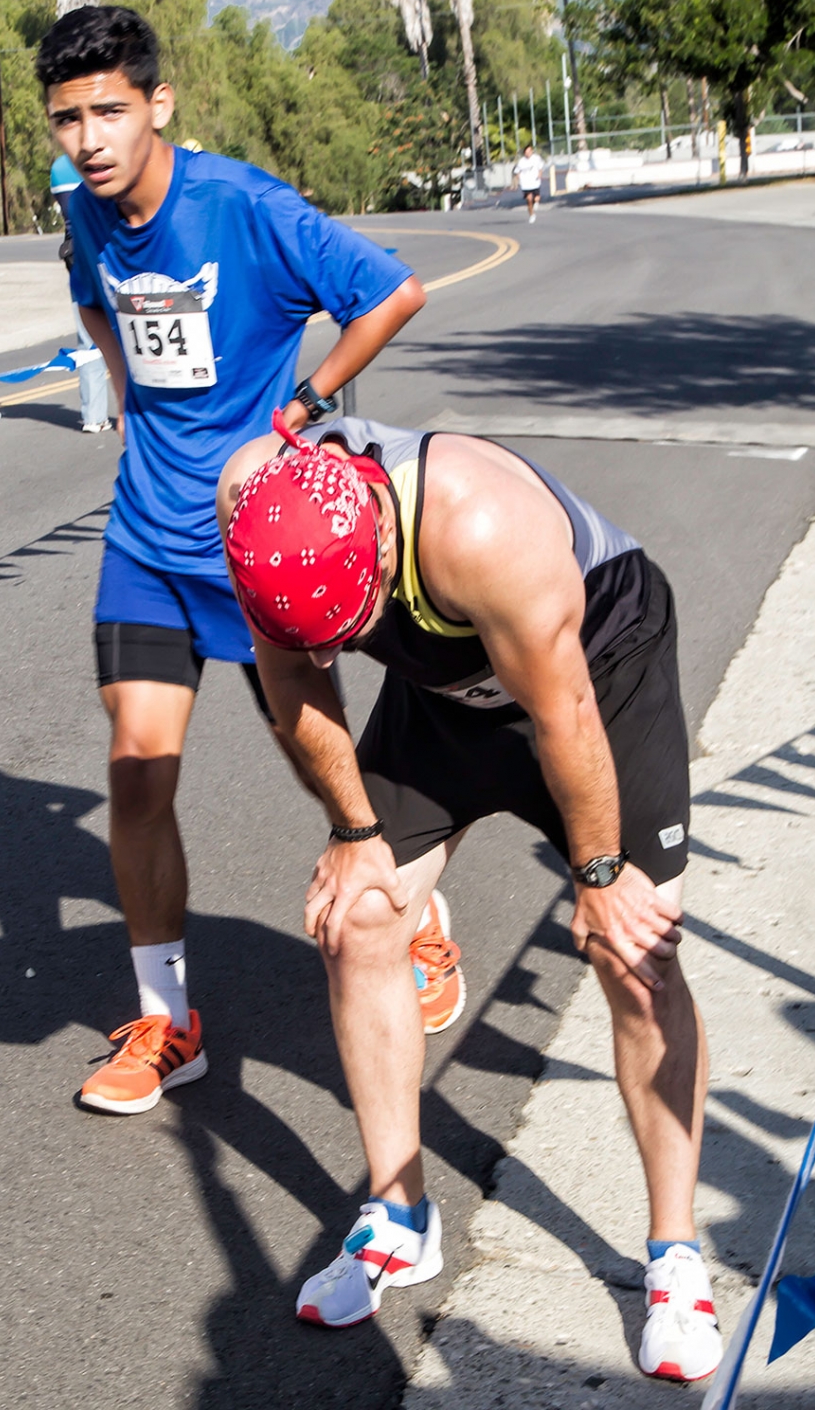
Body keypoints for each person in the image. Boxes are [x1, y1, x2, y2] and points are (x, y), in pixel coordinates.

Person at [217, 416, 724, 1384]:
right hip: (444, 689)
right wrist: (357, 837)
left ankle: (674, 1253)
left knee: (634, 954)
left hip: (592, 678)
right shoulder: (253, 505)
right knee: (358, 918)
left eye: (345, 638)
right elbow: (290, 687)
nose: (333, 659)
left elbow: (562, 714)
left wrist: (600, 876)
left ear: (374, 542)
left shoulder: (482, 526)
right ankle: (400, 1216)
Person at [35, 5, 462, 1115]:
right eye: (67, 118)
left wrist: (306, 408)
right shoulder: (83, 215)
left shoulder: (243, 206)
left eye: (109, 112)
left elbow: (391, 290)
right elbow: (95, 306)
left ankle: (412, 914)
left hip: (250, 538)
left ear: (157, 105)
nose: (87, 138)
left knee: (312, 754)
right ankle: (168, 1020)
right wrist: (132, 403)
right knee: (136, 761)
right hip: (144, 536)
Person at [49, 151, 112, 434]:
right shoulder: (97, 162)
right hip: (104, 255)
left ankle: (93, 416)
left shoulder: (58, 169)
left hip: (75, 257)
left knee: (88, 341)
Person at [513, 143, 545, 223]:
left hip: (535, 182)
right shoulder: (521, 162)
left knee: (537, 198)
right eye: (526, 152)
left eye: (529, 151)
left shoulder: (536, 159)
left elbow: (540, 168)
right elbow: (517, 171)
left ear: (532, 151)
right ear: (524, 153)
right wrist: (519, 178)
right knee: (529, 199)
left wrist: (539, 174)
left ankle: (536, 203)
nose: (528, 153)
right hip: (526, 184)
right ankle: (532, 215)